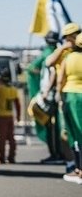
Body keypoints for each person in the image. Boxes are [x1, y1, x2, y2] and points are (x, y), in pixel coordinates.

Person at [45, 22, 80, 175]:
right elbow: (49, 63)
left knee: (75, 131)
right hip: (66, 95)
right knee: (66, 133)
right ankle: (72, 163)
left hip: (70, 95)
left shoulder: (73, 55)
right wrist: (63, 48)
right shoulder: (64, 53)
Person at [26, 31, 61, 163]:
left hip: (50, 94)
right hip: (53, 93)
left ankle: (56, 154)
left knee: (51, 125)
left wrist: (46, 91)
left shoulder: (49, 54)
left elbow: (52, 72)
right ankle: (57, 153)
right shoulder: (57, 51)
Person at [57, 33, 82, 184]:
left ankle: (78, 169)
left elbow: (60, 80)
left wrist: (59, 97)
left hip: (70, 96)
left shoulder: (69, 58)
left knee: (75, 133)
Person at [0, 68, 21, 164]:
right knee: (11, 137)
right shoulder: (13, 89)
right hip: (10, 116)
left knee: (2, 138)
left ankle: (2, 157)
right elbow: (17, 104)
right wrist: (18, 116)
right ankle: (11, 156)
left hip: (1, 116)